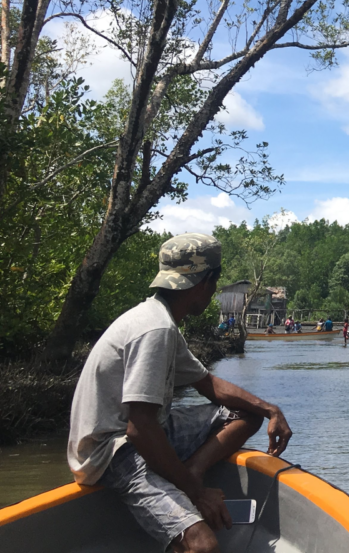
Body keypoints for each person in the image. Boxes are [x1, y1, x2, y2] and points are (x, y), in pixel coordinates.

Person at [67, 233, 293, 553]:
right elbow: (139, 428)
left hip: (139, 434)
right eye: (214, 283)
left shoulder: (161, 321)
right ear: (205, 282)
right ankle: (188, 484)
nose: (214, 292)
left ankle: (192, 470)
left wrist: (269, 409)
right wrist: (196, 493)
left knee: (246, 414)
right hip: (112, 452)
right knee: (202, 546)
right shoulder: (155, 329)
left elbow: (210, 385)